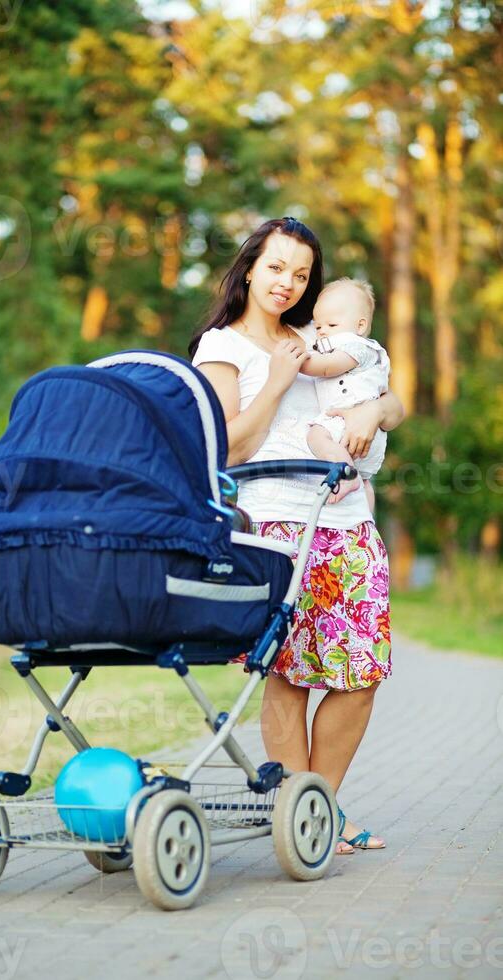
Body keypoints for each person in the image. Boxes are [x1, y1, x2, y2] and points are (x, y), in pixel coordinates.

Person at [189, 217, 404, 854]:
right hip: (277, 527)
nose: (287, 283)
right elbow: (226, 447)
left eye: (302, 274)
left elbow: (391, 400)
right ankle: (301, 819)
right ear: (250, 267)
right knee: (286, 674)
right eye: (277, 267)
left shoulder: (319, 336)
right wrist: (279, 380)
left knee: (359, 674)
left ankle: (321, 806)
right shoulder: (220, 347)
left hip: (349, 525)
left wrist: (372, 409)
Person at [300, 277, 390, 506]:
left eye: (331, 325)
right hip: (368, 433)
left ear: (360, 326)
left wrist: (297, 362)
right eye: (318, 326)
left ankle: (345, 472)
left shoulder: (356, 347)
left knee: (316, 435)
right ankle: (367, 516)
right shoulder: (349, 344)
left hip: (348, 423)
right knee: (366, 482)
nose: (322, 332)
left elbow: (328, 367)